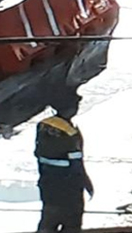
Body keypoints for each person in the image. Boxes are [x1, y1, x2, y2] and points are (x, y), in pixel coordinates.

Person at [35, 93, 94, 233]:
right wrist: (86, 183)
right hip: (68, 187)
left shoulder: (43, 125)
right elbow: (76, 165)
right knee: (72, 223)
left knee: (48, 220)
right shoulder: (69, 133)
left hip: (47, 182)